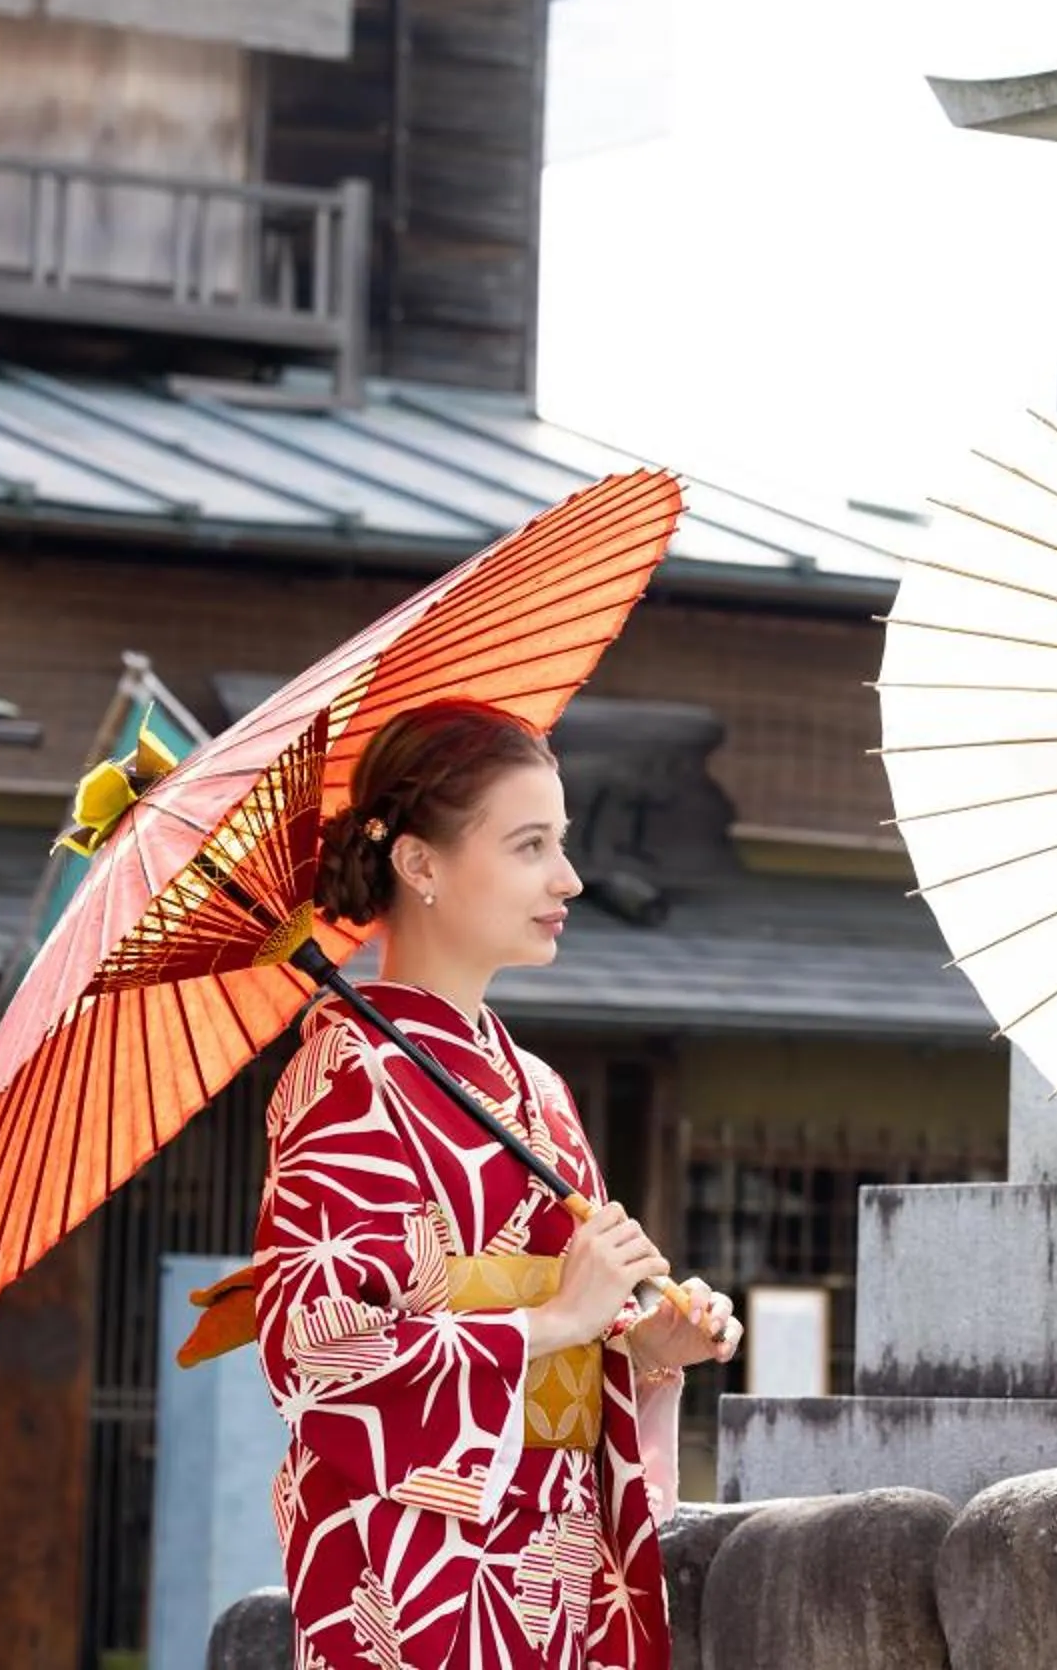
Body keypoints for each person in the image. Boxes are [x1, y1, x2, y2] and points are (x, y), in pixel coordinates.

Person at [253, 699, 740, 1669]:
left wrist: (641, 1348)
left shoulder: (540, 1088)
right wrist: (551, 1321)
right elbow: (312, 1350)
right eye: (529, 845)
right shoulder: (351, 1079)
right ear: (420, 863)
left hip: (549, 1561)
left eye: (560, 843)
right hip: (409, 1571)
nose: (568, 877)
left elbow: (565, 1345)